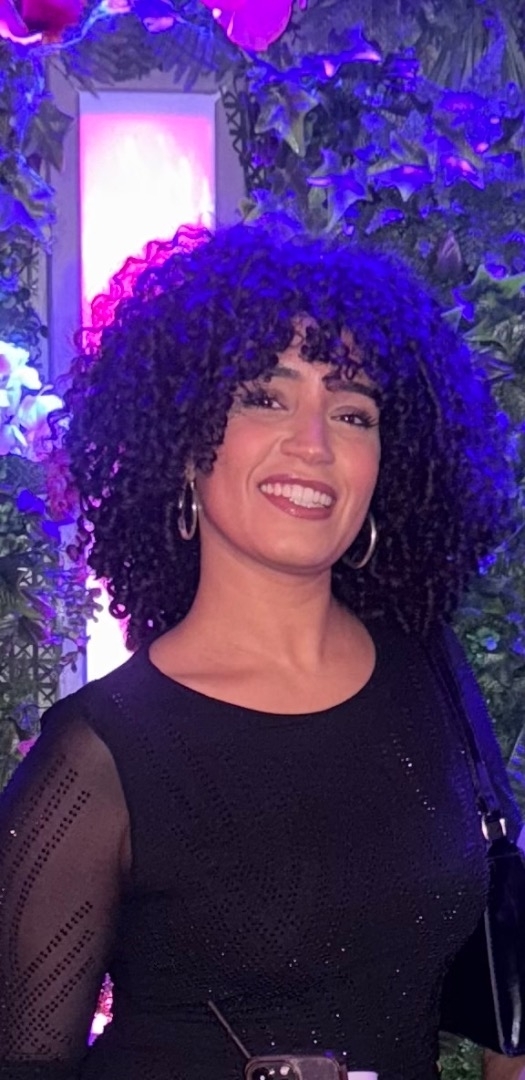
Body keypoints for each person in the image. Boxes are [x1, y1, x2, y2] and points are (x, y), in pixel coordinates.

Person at [0, 223, 522, 1080]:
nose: (313, 443)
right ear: (182, 444)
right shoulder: (98, 756)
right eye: (264, 398)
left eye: (351, 412)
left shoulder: (427, 670)